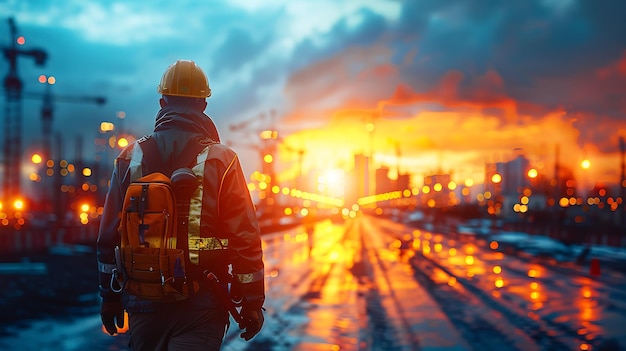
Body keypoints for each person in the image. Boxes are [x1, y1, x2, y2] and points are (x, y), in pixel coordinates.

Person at [96, 59, 265, 350]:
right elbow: (244, 237)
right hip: (202, 304)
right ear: (203, 105)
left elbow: (109, 235)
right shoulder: (222, 160)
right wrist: (251, 301)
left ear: (162, 101)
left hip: (143, 300)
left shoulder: (129, 157)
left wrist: (109, 297)